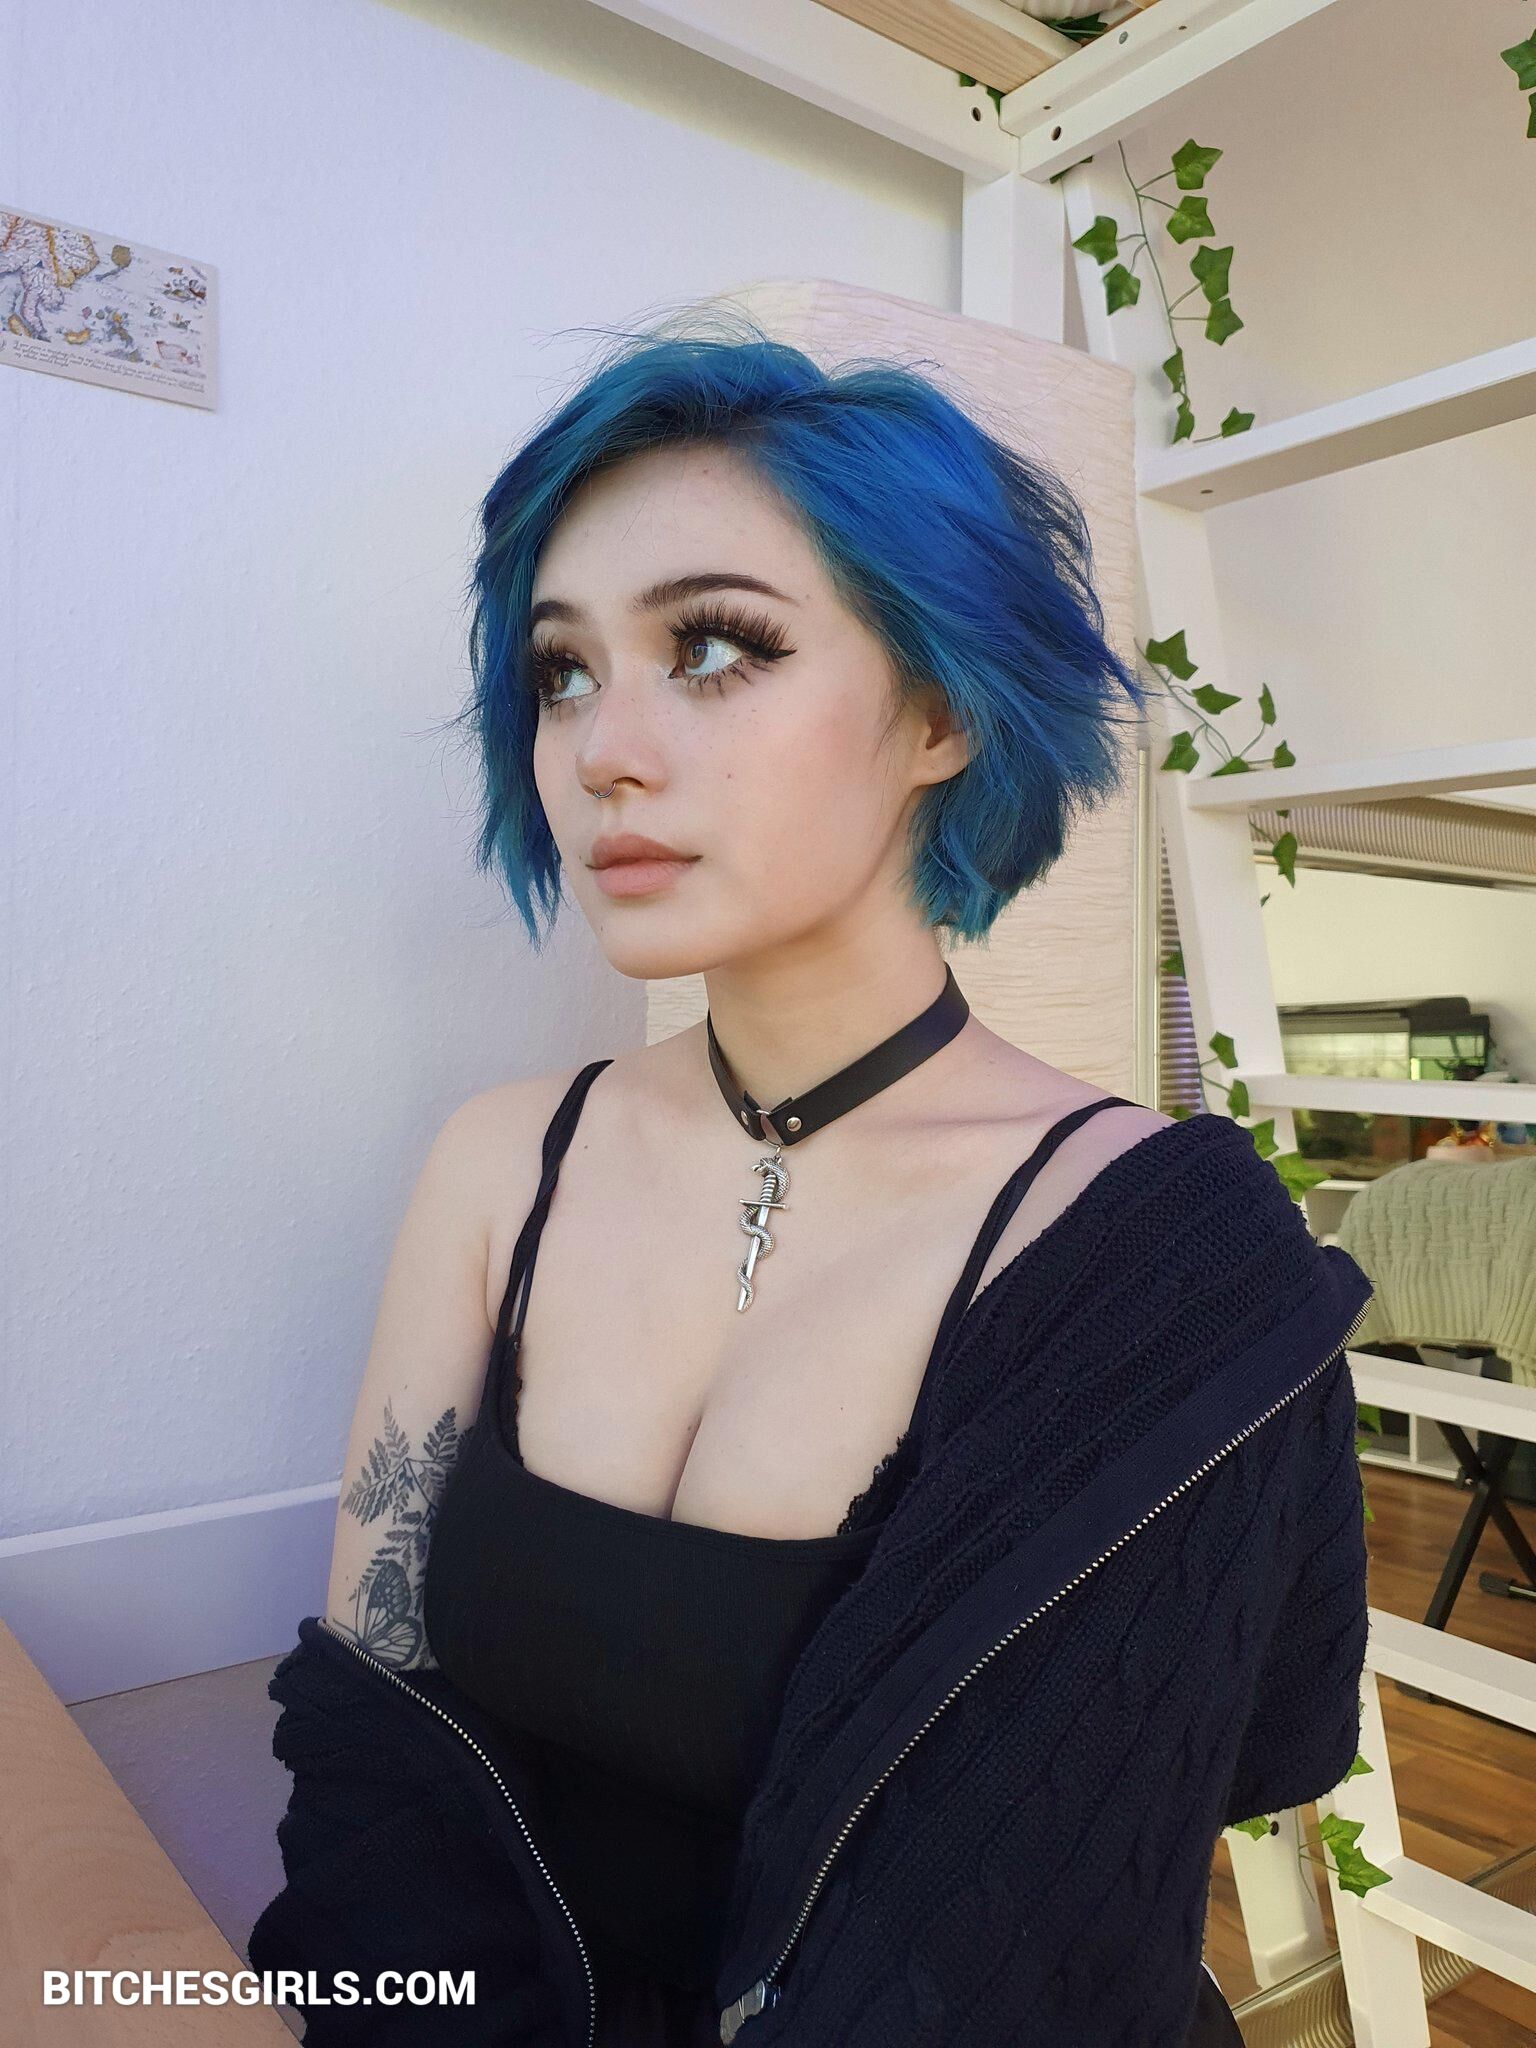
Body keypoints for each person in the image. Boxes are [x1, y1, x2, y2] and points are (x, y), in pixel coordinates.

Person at [249, 314, 1374, 2047]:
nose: (601, 749)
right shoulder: (503, 1164)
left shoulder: (1159, 1258)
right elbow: (373, 1736)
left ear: (939, 708)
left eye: (713, 647)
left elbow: (1033, 1929)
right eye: (562, 671)